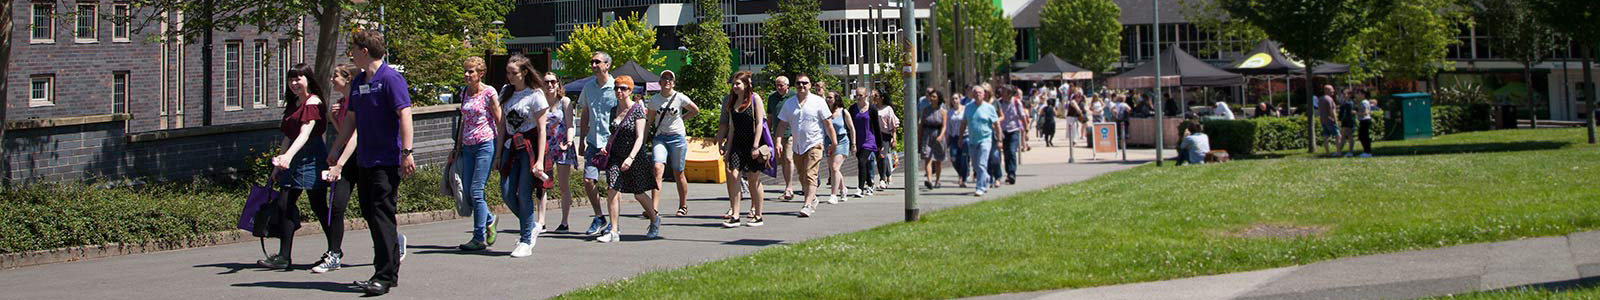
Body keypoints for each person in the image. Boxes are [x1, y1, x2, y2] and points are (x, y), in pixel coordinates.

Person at [325, 29, 412, 296]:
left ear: (364, 51)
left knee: (381, 214)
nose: (350, 54)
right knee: (369, 213)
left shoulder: (391, 79)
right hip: (365, 159)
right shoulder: (360, 81)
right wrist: (337, 150)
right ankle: (387, 265)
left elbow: (405, 114)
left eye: (353, 49)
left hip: (386, 160)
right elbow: (351, 119)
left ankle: (384, 274)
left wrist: (407, 152)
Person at [257, 63, 331, 271]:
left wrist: (288, 157)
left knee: (318, 207)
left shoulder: (313, 102)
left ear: (308, 79)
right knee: (284, 204)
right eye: (291, 79)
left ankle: (334, 250)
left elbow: (304, 134)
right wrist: (279, 163)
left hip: (311, 158)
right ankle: (284, 256)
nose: (294, 83)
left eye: (299, 78)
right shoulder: (294, 103)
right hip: (293, 160)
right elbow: (289, 136)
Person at [497, 54, 550, 254]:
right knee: (507, 192)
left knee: (524, 193)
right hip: (510, 148)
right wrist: (498, 153)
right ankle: (530, 226)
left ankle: (526, 240)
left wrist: (539, 160)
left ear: (524, 72)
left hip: (529, 149)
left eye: (514, 73)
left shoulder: (535, 95)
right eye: (508, 73)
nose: (510, 76)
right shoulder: (506, 92)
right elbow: (502, 125)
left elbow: (542, 129)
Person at [309, 63, 360, 274]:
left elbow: (357, 135)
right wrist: (332, 118)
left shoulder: (358, 101)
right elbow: (344, 133)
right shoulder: (340, 103)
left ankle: (391, 245)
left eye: (335, 76)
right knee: (337, 207)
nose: (332, 80)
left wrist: (339, 161)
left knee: (374, 208)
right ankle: (334, 253)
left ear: (347, 78)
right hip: (344, 159)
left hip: (359, 158)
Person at [597, 76, 659, 242]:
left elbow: (640, 137)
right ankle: (614, 231)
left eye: (623, 88)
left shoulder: (637, 109)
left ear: (630, 91)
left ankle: (654, 219)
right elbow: (613, 134)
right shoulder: (613, 110)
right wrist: (606, 147)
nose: (619, 91)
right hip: (616, 156)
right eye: (616, 88)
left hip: (634, 156)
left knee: (638, 193)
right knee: (612, 188)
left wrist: (631, 158)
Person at [451, 57, 503, 253]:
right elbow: (463, 122)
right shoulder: (464, 92)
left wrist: (499, 150)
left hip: (485, 145)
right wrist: (456, 149)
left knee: (476, 191)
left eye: (471, 71)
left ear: (480, 74)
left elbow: (499, 120)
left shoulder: (489, 93)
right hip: (467, 146)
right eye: (465, 71)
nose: (466, 75)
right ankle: (490, 219)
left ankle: (478, 237)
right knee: (468, 192)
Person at [775, 73, 837, 217]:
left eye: (805, 83)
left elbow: (828, 124)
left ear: (810, 85)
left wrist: (834, 142)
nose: (802, 86)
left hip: (815, 143)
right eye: (799, 83)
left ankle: (807, 204)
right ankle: (813, 197)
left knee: (810, 175)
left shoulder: (818, 101)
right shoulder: (789, 103)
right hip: (798, 146)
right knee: (802, 176)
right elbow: (782, 124)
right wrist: (778, 141)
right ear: (795, 86)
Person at [715, 71, 768, 228]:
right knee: (733, 175)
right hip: (737, 144)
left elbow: (759, 123)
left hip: (752, 143)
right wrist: (727, 149)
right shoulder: (731, 102)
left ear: (746, 85)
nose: (735, 86)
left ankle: (758, 215)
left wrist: (756, 146)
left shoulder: (755, 99)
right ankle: (736, 215)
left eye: (738, 83)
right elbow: (731, 128)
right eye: (733, 84)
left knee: (753, 179)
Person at [647, 70, 700, 219]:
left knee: (678, 172)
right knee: (657, 169)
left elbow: (695, 110)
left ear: (674, 83)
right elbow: (649, 121)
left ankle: (683, 205)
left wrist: (682, 118)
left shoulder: (679, 97)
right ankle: (654, 208)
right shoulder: (654, 100)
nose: (667, 81)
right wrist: (642, 139)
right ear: (660, 82)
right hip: (660, 138)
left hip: (677, 138)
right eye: (664, 78)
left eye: (670, 79)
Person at [578, 52, 618, 237]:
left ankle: (613, 223)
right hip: (594, 141)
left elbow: (622, 114)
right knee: (588, 180)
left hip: (612, 142)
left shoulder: (616, 87)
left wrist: (612, 141)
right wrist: (582, 139)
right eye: (592, 61)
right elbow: (585, 113)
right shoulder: (588, 87)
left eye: (597, 61)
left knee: (612, 184)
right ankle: (599, 216)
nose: (593, 64)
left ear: (607, 65)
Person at [543, 72, 581, 233]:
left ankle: (564, 222)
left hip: (562, 145)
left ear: (558, 84)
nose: (550, 85)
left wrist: (570, 141)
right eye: (546, 82)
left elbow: (570, 124)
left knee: (564, 185)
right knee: (542, 185)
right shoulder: (540, 102)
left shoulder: (564, 102)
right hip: (545, 147)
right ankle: (541, 221)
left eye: (553, 82)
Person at [962, 84, 1001, 196]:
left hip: (986, 139)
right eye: (975, 93)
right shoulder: (968, 107)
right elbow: (964, 123)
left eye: (980, 93)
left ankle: (980, 187)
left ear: (984, 95)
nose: (978, 95)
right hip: (972, 140)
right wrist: (960, 137)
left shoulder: (989, 108)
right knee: (975, 164)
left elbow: (997, 124)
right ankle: (986, 178)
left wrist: (999, 140)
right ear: (972, 94)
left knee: (981, 164)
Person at [768, 76, 797, 201]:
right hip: (777, 134)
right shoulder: (772, 98)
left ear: (787, 86)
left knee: (788, 158)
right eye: (777, 85)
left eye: (781, 85)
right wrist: (767, 133)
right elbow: (769, 116)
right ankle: (787, 185)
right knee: (782, 161)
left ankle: (789, 187)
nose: (779, 88)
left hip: (791, 133)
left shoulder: (793, 96)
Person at [824, 91, 855, 203]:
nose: (828, 99)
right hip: (828, 142)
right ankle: (843, 188)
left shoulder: (843, 112)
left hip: (842, 141)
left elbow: (851, 128)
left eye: (830, 97)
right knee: (833, 169)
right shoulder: (825, 112)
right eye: (827, 97)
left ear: (836, 99)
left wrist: (853, 144)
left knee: (835, 167)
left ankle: (833, 195)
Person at [849, 88, 880, 198]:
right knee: (864, 164)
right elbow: (849, 126)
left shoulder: (872, 109)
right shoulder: (852, 109)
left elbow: (876, 127)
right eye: (857, 95)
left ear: (866, 95)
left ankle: (860, 188)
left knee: (862, 162)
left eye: (861, 95)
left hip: (869, 140)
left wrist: (879, 144)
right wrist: (851, 142)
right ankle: (870, 184)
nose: (858, 97)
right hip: (857, 140)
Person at [997, 85, 1029, 185]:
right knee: (1006, 153)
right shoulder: (999, 102)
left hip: (1014, 130)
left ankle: (1012, 173)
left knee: (1011, 151)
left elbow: (1022, 116)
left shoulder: (1016, 102)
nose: (1002, 93)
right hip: (1003, 131)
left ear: (1010, 93)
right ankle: (1008, 172)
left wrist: (1026, 129)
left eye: (1004, 91)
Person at [919, 89, 947, 189]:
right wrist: (919, 138)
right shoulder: (926, 110)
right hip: (927, 136)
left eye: (934, 97)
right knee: (928, 158)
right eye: (931, 96)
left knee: (938, 160)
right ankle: (930, 180)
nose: (932, 98)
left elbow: (944, 126)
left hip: (938, 135)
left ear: (938, 98)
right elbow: (921, 124)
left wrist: (941, 136)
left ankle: (937, 180)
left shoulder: (943, 111)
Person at [873, 91, 898, 191]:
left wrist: (894, 138)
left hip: (885, 135)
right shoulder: (873, 108)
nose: (875, 97)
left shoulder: (888, 109)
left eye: (877, 96)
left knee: (882, 155)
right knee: (878, 157)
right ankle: (887, 174)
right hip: (875, 135)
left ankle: (882, 179)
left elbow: (893, 125)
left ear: (882, 98)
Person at [945, 88, 970, 188]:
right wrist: (947, 140)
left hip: (965, 137)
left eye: (956, 98)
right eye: (952, 99)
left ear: (960, 99)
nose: (954, 100)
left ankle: (963, 178)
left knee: (964, 158)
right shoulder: (950, 112)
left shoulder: (965, 109)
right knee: (954, 158)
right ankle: (961, 173)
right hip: (954, 138)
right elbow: (948, 127)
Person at [1316, 84, 1340, 156]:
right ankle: (1338, 152)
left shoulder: (1320, 99)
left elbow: (1319, 110)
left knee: (1325, 136)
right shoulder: (1329, 99)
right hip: (1330, 121)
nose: (1333, 91)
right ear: (1326, 90)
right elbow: (1331, 111)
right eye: (1331, 89)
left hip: (1323, 120)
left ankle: (1327, 152)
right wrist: (1336, 120)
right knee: (1338, 135)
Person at [1336, 89, 1358, 157]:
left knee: (1349, 136)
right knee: (1343, 136)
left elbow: (1349, 113)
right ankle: (1339, 151)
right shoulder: (1345, 102)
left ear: (1349, 95)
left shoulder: (1350, 103)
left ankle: (1350, 152)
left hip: (1349, 121)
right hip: (1344, 121)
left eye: (1345, 94)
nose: (1344, 95)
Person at [1357, 92, 1377, 157]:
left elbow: (1366, 111)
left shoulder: (1364, 102)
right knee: (1362, 136)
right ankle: (1366, 151)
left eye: (1359, 93)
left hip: (1364, 120)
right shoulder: (1366, 102)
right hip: (1364, 120)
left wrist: (1357, 114)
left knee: (1363, 136)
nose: (1358, 95)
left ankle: (1367, 151)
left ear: (1363, 95)